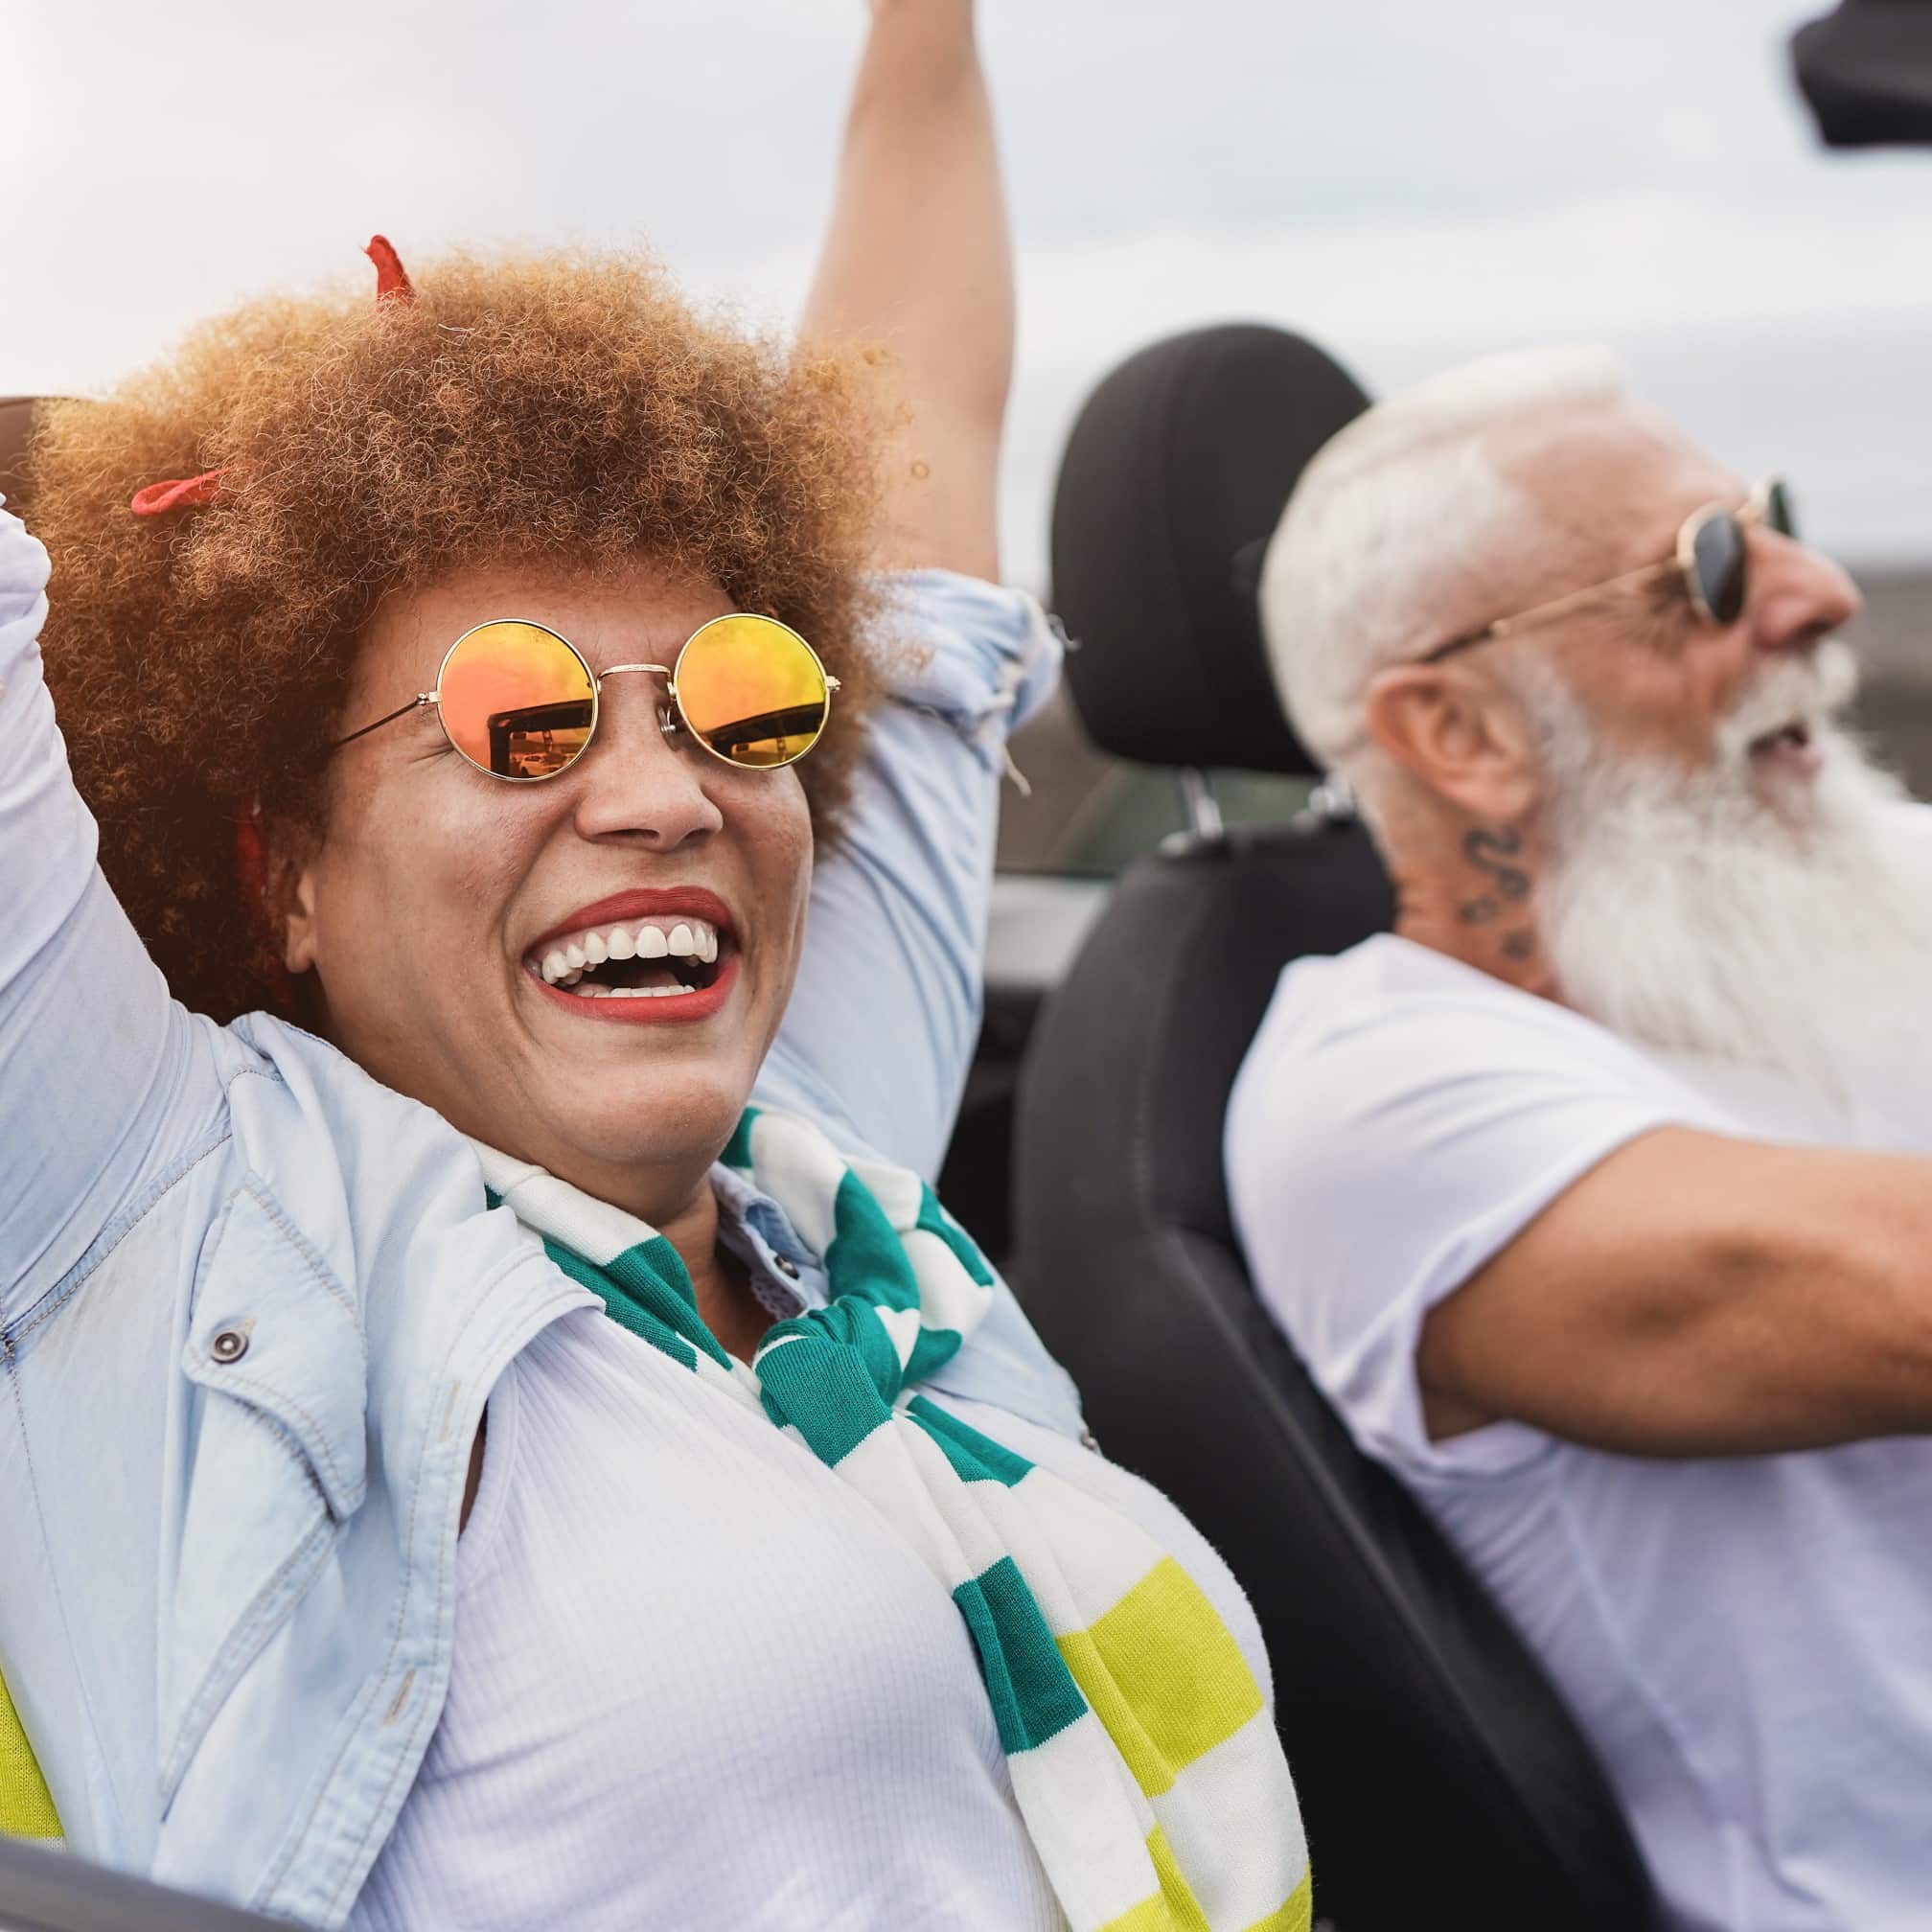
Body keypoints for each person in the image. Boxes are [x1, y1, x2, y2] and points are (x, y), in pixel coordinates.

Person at [0, 5, 1313, 1928]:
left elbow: (915, 436)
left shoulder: (821, 1171)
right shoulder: (155, 1212)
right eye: (516, 716)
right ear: (282, 872)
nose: (662, 792)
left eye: (743, 700)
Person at [1224, 342, 1932, 1930]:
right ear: (1459, 730)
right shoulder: (1377, 1090)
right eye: (1708, 567)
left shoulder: (1828, 893)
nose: (1820, 592)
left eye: (1781, 522)